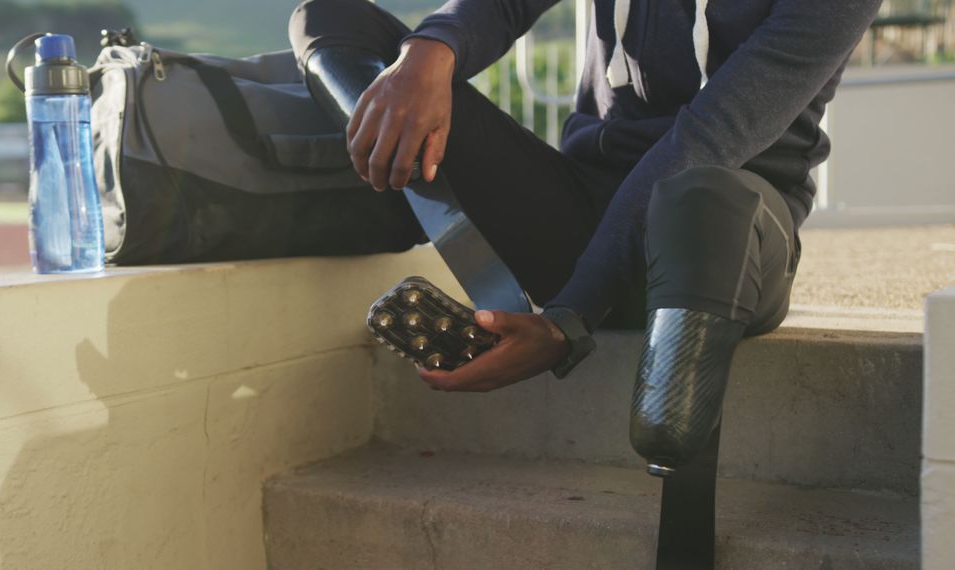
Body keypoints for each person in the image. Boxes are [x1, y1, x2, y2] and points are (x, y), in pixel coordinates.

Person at [289, 0, 881, 473]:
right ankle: (466, 251)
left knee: (703, 192)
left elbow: (709, 137)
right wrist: (431, 50)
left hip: (722, 247)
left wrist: (570, 316)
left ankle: (669, 427)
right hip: (578, 222)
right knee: (330, 18)